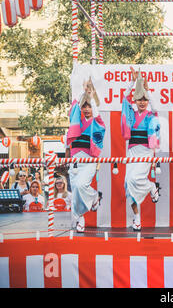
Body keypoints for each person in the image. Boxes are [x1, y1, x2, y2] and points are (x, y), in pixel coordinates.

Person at [121, 67, 161, 232]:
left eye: (145, 99)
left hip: (145, 152)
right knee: (127, 185)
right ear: (135, 101)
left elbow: (156, 107)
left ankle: (151, 187)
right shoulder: (130, 114)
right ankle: (137, 218)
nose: (143, 102)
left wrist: (147, 89)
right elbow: (123, 98)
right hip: (131, 151)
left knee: (134, 180)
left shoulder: (151, 116)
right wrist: (132, 82)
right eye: (139, 99)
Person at [66, 75, 105, 233]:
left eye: (89, 106)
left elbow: (95, 110)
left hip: (89, 160)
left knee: (82, 185)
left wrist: (90, 93)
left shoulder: (96, 122)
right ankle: (81, 218)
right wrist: (83, 90)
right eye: (84, 106)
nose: (87, 109)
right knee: (75, 190)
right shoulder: (75, 118)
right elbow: (75, 102)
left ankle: (94, 196)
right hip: (75, 160)